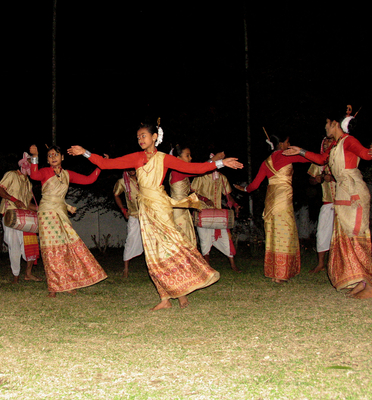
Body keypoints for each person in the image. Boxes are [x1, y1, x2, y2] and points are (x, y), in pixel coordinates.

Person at [67, 121, 243, 310]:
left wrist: (220, 163)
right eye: (138, 137)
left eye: (143, 135)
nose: (140, 139)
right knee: (153, 252)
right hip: (145, 211)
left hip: (160, 207)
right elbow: (106, 163)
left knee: (173, 245)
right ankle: (165, 298)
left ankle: (183, 291)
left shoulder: (164, 158)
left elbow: (195, 169)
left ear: (154, 137)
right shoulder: (136, 158)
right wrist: (85, 152)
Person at [284, 111, 372, 299]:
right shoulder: (336, 145)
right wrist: (300, 151)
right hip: (344, 191)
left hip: (353, 191)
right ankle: (361, 283)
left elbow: (367, 154)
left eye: (327, 123)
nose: (325, 127)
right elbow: (321, 160)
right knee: (346, 238)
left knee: (356, 236)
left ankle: (369, 286)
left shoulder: (349, 140)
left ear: (335, 123)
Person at [29, 145, 107, 297]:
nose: (53, 157)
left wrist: (100, 166)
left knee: (66, 247)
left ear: (62, 157)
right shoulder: (45, 172)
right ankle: (53, 287)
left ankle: (68, 283)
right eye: (50, 155)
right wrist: (34, 157)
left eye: (56, 154)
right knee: (50, 250)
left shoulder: (67, 174)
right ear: (47, 159)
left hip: (61, 212)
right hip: (47, 213)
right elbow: (33, 176)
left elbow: (89, 180)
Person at [234, 134, 309, 283]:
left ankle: (275, 272)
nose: (289, 145)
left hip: (270, 202)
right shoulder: (286, 156)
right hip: (283, 201)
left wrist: (243, 189)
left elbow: (253, 186)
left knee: (274, 235)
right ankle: (281, 274)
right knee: (285, 234)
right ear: (280, 144)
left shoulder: (266, 162)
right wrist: (302, 151)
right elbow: (311, 158)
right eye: (287, 142)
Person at [0, 152, 42, 283]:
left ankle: (28, 274)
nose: (31, 166)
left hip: (25, 217)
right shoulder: (11, 175)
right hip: (11, 215)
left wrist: (41, 209)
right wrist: (14, 200)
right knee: (14, 246)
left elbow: (27, 204)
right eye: (29, 162)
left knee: (31, 245)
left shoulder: (28, 183)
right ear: (23, 163)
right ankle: (15, 276)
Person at [191, 152, 241, 272]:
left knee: (225, 238)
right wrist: (204, 199)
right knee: (204, 240)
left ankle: (233, 264)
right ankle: (207, 267)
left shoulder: (222, 178)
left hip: (218, 214)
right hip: (202, 212)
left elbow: (227, 195)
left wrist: (235, 204)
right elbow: (192, 192)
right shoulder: (201, 176)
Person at [306, 136, 336, 273]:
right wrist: (316, 180)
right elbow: (311, 180)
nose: (326, 144)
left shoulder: (340, 159)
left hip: (344, 202)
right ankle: (321, 263)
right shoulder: (319, 161)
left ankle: (338, 263)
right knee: (322, 233)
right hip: (328, 202)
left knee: (342, 234)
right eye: (324, 142)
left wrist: (333, 178)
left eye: (329, 141)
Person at [168, 145, 199, 249]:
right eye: (187, 155)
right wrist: (215, 161)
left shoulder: (180, 172)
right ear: (178, 158)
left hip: (182, 208)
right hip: (178, 210)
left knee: (185, 238)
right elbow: (198, 170)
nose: (190, 158)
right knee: (182, 240)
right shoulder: (177, 171)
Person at [113, 169, 143, 277]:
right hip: (134, 215)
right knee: (130, 240)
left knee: (152, 240)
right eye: (128, 169)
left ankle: (154, 267)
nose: (131, 171)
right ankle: (125, 269)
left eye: (133, 168)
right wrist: (123, 209)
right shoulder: (123, 181)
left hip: (148, 214)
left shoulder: (144, 178)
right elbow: (116, 194)